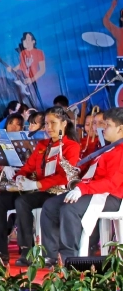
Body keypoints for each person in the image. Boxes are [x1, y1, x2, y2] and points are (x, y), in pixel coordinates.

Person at [0, 106, 80, 266]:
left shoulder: (71, 146)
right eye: (46, 123)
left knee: (22, 202)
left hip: (55, 191)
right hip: (36, 189)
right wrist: (19, 178)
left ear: (64, 124)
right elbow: (28, 167)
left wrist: (37, 183)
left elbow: (64, 176)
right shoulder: (42, 145)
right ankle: (0, 252)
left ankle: (27, 251)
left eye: (53, 123)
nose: (49, 127)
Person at [40, 107, 123, 264]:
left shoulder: (120, 151)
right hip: (94, 191)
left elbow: (112, 183)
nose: (103, 128)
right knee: (50, 206)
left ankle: (69, 258)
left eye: (107, 125)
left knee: (69, 209)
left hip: (111, 196)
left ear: (120, 129)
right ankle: (51, 255)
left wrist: (82, 188)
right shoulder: (109, 146)